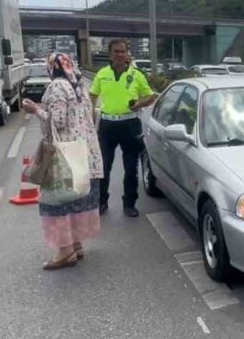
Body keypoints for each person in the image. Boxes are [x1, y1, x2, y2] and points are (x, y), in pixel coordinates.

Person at [22, 53, 104, 270]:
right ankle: (76, 245)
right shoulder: (78, 86)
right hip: (85, 154)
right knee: (76, 201)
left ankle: (65, 251)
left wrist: (36, 110)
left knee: (56, 202)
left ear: (53, 68)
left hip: (64, 157)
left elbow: (57, 122)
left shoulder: (57, 86)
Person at [90, 39, 158, 218]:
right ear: (110, 54)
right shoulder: (102, 74)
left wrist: (139, 104)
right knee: (103, 167)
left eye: (122, 51)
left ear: (127, 54)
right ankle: (101, 201)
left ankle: (129, 203)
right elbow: (92, 95)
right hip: (107, 125)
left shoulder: (137, 75)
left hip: (130, 125)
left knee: (131, 168)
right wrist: (91, 114)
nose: (119, 55)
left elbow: (150, 96)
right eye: (116, 51)